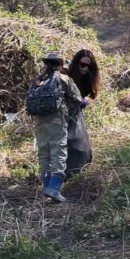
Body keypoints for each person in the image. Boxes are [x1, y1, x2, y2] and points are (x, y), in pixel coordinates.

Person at [31, 52, 82, 203]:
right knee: (58, 153)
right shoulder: (63, 78)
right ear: (60, 64)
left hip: (39, 122)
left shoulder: (38, 80)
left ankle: (47, 187)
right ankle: (53, 189)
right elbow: (77, 99)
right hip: (57, 121)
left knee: (44, 154)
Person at [66, 49, 100, 177]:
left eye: (89, 66)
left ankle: (76, 172)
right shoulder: (66, 75)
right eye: (83, 65)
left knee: (81, 145)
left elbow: (90, 93)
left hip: (76, 114)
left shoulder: (87, 76)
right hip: (63, 115)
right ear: (76, 63)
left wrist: (83, 100)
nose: (85, 68)